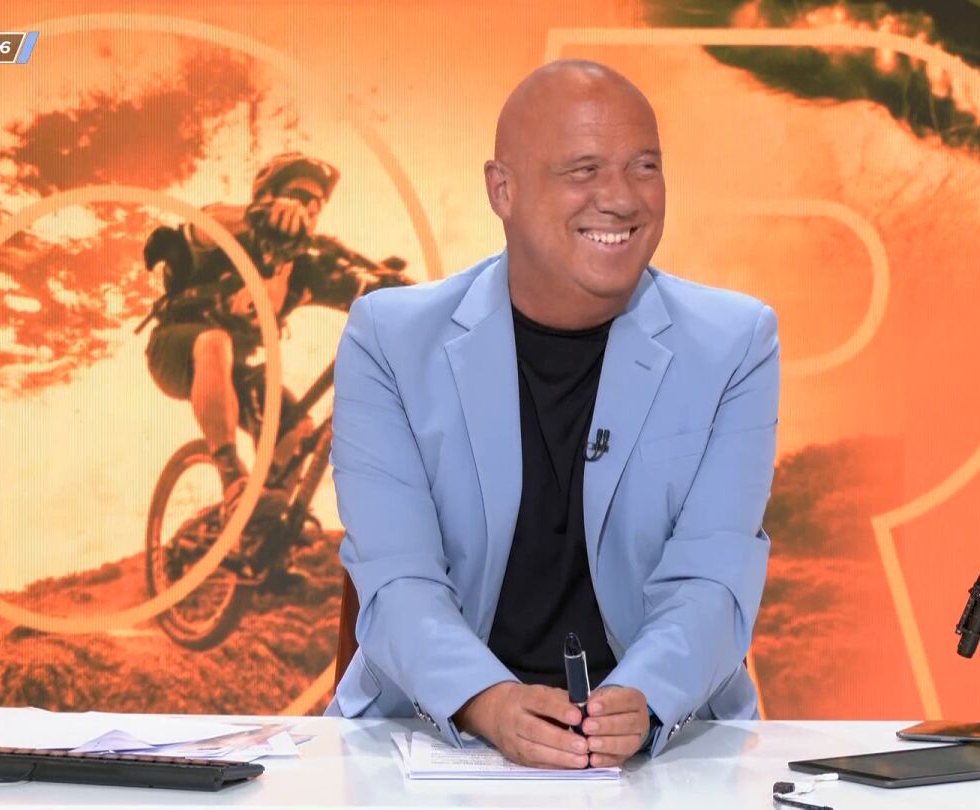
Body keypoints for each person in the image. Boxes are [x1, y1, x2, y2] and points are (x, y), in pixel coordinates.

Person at [327, 59, 780, 769]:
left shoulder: (734, 344)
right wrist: (489, 702)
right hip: (428, 739)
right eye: (583, 170)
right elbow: (397, 579)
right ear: (501, 190)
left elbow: (713, 579)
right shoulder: (390, 340)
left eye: (644, 167)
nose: (621, 198)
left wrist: (641, 701)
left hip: (661, 747)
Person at [141, 152, 410, 515]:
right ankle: (232, 477)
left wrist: (402, 295)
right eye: (300, 195)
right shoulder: (230, 233)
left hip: (232, 370)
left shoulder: (305, 269)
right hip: (175, 349)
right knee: (215, 340)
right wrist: (258, 216)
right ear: (268, 194)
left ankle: (266, 525)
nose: (309, 208)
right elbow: (204, 225)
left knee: (296, 427)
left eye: (317, 204)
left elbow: (364, 294)